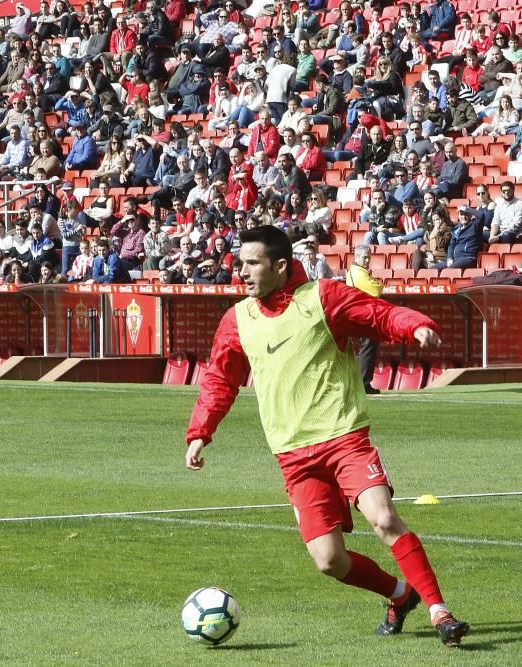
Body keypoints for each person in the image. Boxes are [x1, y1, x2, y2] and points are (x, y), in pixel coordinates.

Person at [184, 226, 469, 647]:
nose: (241, 272)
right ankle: (400, 594)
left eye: (252, 263)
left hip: (344, 438)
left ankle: (440, 613)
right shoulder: (237, 319)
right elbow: (219, 380)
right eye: (240, 262)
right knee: (329, 560)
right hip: (293, 456)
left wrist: (415, 326)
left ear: (280, 266)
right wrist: (200, 432)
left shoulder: (324, 297)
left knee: (384, 517)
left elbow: (380, 314)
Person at [345, 245, 384, 394]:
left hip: (364, 313)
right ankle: (363, 383)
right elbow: (376, 290)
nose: (367, 260)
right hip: (363, 314)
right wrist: (379, 283)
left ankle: (364, 383)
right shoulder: (357, 272)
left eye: (369, 257)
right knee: (368, 347)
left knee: (369, 347)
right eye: (364, 257)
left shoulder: (359, 271)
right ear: (356, 257)